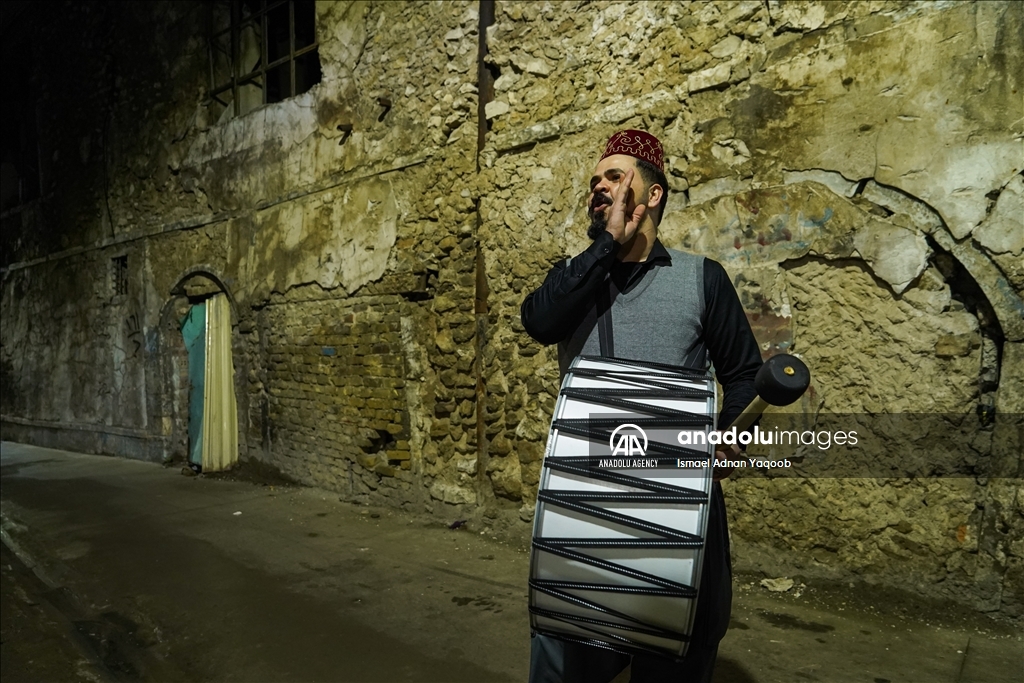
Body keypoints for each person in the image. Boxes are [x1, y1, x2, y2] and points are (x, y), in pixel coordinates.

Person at [520, 130, 763, 683]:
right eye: (594, 181)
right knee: (567, 654)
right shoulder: (575, 276)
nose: (598, 187)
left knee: (674, 657)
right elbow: (538, 322)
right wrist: (606, 246)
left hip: (676, 504)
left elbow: (745, 376)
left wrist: (723, 447)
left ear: (651, 195)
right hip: (583, 506)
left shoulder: (703, 280)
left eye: (614, 177)